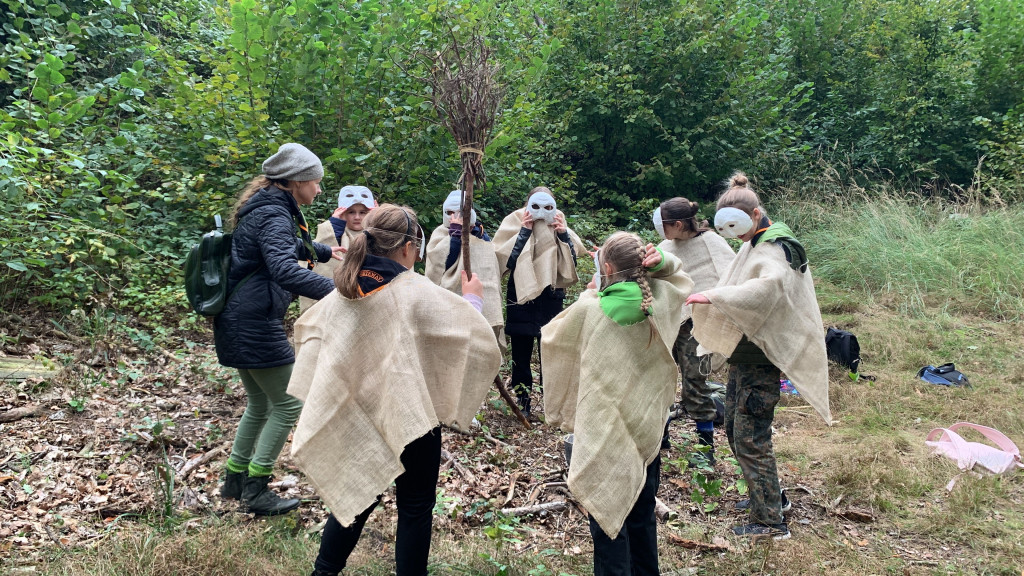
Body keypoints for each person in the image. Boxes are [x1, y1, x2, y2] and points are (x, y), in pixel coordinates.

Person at [286, 204, 502, 576]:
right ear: (407, 248)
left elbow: (309, 330)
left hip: (356, 412)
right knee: (416, 506)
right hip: (412, 415)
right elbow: (471, 337)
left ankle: (323, 572)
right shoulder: (415, 291)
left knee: (356, 493)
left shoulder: (343, 290)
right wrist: (474, 299)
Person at [686, 172, 831, 540]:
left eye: (738, 228)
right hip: (746, 355)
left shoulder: (777, 246)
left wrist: (715, 297)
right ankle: (767, 496)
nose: (736, 238)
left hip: (762, 358)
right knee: (735, 430)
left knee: (752, 436)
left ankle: (770, 522)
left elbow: (767, 288)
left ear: (755, 215)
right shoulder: (756, 240)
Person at [541, 232, 693, 576]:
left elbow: (551, 337)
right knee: (642, 515)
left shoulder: (590, 310)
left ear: (606, 267)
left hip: (603, 427)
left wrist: (589, 294)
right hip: (647, 426)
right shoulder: (661, 299)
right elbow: (681, 277)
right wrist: (665, 263)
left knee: (607, 520)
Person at [214, 143, 346, 516]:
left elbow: (283, 247)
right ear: (296, 181)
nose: (318, 189)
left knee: (259, 403)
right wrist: (341, 292)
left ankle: (235, 480)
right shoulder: (273, 212)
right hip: (255, 323)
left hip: (238, 319)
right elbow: (284, 268)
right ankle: (256, 489)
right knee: (289, 404)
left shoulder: (266, 206)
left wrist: (323, 253)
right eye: (316, 182)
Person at [654, 197, 736, 463]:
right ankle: (661, 437)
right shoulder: (666, 246)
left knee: (695, 383)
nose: (661, 231)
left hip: (697, 324)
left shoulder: (712, 243)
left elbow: (730, 277)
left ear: (678, 224)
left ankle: (705, 449)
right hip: (668, 321)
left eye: (664, 225)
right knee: (662, 376)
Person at [493, 186, 582, 416]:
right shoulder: (515, 220)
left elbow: (570, 261)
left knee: (549, 349)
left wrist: (562, 233)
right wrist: (524, 230)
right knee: (521, 352)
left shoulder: (559, 222)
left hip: (551, 295)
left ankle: (552, 404)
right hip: (522, 293)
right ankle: (523, 402)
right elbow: (507, 260)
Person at [424, 189, 505, 349]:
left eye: (461, 212)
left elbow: (489, 262)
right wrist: (454, 236)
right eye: (450, 212)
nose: (456, 216)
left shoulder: (480, 233)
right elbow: (439, 265)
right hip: (454, 300)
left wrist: (475, 233)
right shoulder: (440, 234)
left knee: (483, 345)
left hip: (483, 301)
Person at [298, 185, 376, 313]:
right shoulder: (335, 233)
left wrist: (379, 221)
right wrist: (332, 227)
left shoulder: (376, 234)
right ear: (343, 212)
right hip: (337, 302)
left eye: (362, 212)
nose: (357, 217)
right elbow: (317, 260)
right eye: (351, 212)